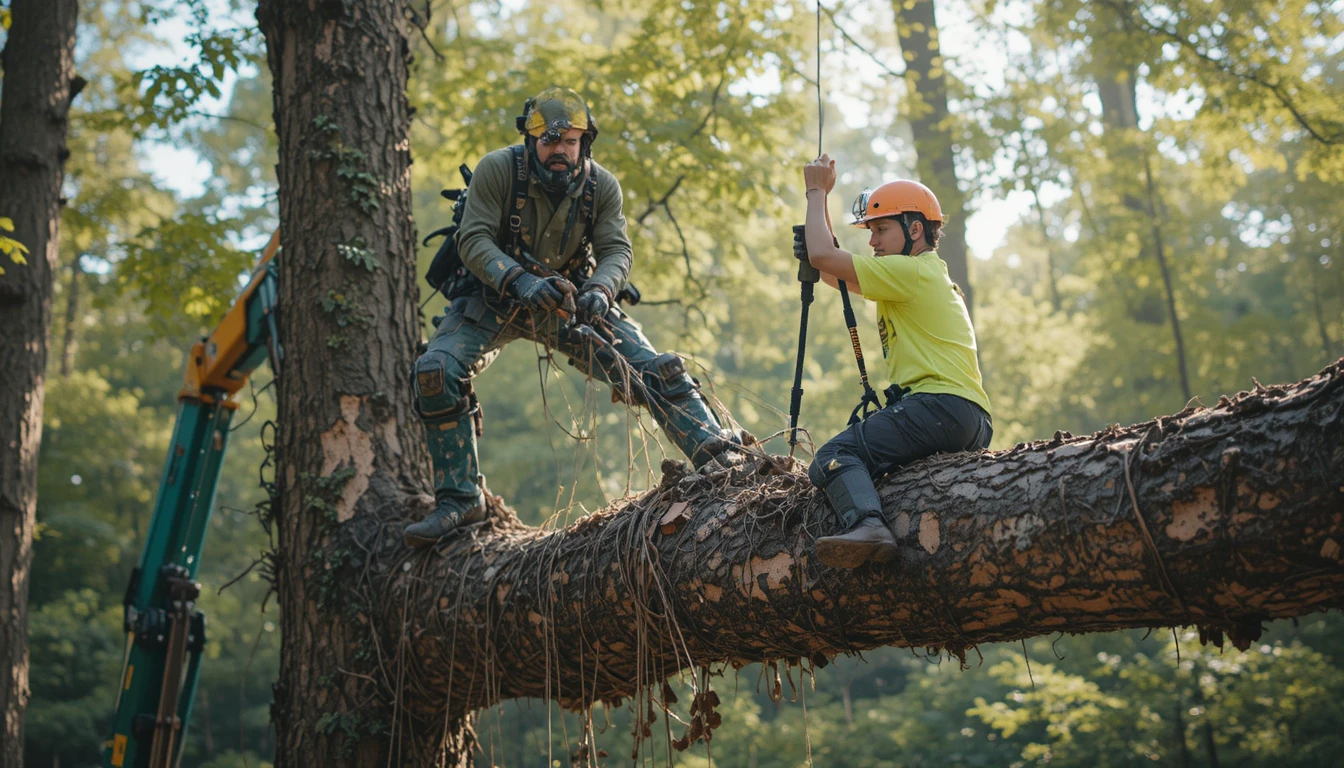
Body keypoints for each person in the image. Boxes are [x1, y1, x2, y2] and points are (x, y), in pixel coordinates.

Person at [404, 87, 741, 547]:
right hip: (493, 296)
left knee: (656, 370)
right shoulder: (497, 170)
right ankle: (461, 500)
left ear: (585, 142)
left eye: (569, 141)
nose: (559, 150)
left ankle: (720, 460)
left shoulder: (602, 186)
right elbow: (474, 239)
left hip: (572, 300)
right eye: (548, 140)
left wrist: (602, 290)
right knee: (434, 372)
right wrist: (519, 281)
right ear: (530, 140)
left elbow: (617, 249)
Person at [798, 154, 993, 568]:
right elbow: (834, 271)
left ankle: (868, 525)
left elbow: (822, 257)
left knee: (835, 456)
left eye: (881, 230)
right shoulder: (919, 274)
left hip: (938, 405)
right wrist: (822, 232)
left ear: (915, 229)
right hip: (966, 416)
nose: (872, 242)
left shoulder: (913, 272)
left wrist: (816, 191)